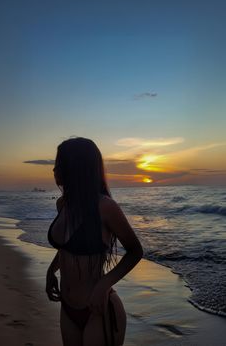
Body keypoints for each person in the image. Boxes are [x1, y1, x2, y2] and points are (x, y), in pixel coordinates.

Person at [46, 137, 143, 346]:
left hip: (98, 309)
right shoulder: (62, 204)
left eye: (59, 163)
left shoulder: (105, 206)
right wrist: (51, 270)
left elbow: (135, 251)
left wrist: (105, 284)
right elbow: (66, 247)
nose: (54, 169)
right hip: (67, 307)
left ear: (76, 167)